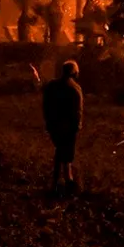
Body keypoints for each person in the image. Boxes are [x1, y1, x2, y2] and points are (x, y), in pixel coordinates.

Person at [42, 59, 83, 193]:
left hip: (55, 125)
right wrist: (77, 126)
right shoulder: (75, 88)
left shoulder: (52, 86)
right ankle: (66, 180)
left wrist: (49, 123)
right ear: (74, 73)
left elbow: (46, 105)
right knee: (66, 153)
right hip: (68, 127)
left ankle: (61, 180)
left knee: (60, 151)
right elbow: (77, 111)